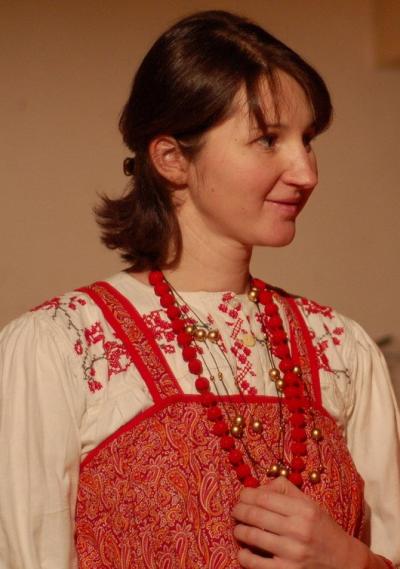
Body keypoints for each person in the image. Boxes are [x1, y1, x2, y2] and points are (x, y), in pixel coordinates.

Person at [0, 9, 399, 569]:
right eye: (268, 139)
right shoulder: (59, 347)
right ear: (171, 159)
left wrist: (350, 561)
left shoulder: (343, 350)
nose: (306, 172)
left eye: (307, 140)